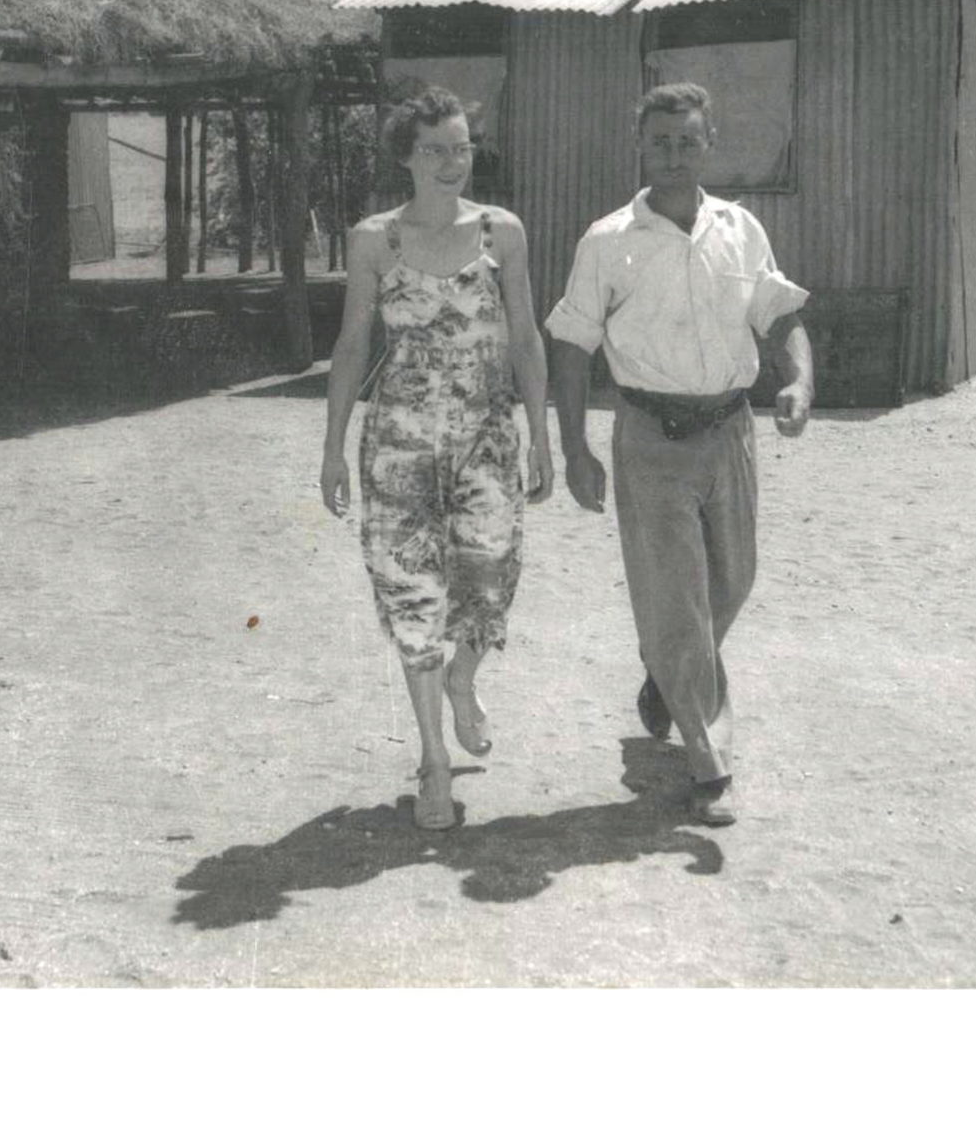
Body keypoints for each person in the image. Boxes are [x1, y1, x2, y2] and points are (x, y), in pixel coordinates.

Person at [546, 83, 813, 827]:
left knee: (733, 581)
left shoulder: (740, 228)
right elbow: (571, 346)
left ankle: (667, 680)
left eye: (686, 140)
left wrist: (802, 381)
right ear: (640, 145)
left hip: (730, 432)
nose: (672, 154)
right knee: (675, 602)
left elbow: (781, 314)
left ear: (709, 142)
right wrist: (575, 449)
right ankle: (708, 760)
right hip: (649, 439)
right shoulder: (607, 241)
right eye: (659, 141)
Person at [322, 88, 554, 830]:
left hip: (486, 439)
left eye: (462, 147)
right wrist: (332, 448)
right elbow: (353, 345)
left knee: (489, 576)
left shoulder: (501, 233)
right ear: (405, 156)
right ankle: (432, 762)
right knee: (412, 600)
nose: (452, 162)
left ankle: (464, 679)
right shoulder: (374, 241)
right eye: (435, 150)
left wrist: (541, 434)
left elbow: (525, 338)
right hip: (398, 446)